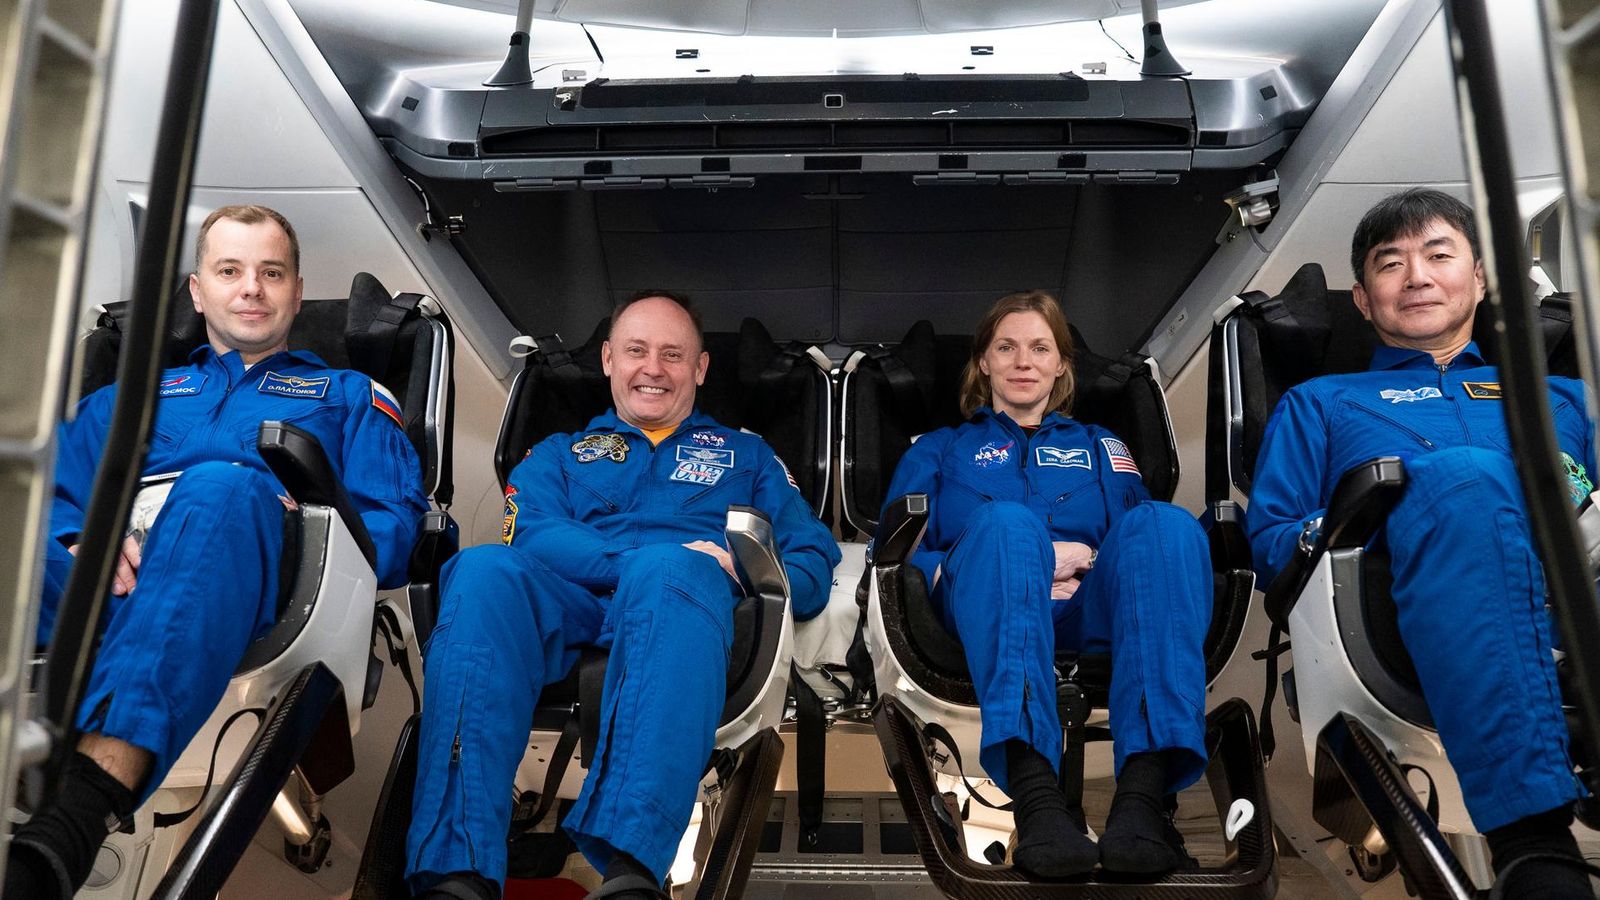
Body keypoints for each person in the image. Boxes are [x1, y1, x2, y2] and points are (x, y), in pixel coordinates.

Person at [6, 204, 430, 899]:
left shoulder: (349, 394)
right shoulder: (129, 398)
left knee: (220, 489)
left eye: (271, 272)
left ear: (297, 291)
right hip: (108, 579)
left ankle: (74, 819)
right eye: (230, 271)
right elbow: (39, 494)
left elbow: (387, 530)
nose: (252, 288)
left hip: (263, 577)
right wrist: (76, 539)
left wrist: (293, 515)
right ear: (198, 291)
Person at [406, 292, 840, 900]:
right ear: (609, 359)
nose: (653, 368)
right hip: (569, 601)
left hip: (683, 608)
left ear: (701, 368)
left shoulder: (749, 457)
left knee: (668, 572)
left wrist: (738, 570)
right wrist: (630, 563)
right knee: (481, 571)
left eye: (673, 354)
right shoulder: (556, 455)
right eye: (636, 351)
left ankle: (632, 870)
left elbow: (813, 559)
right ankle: (454, 872)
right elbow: (528, 531)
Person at [1248, 188, 1593, 897]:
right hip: (1411, 611)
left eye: (1439, 255)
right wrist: (1366, 515)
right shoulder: (1319, 402)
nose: (1417, 276)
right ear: (1363, 300)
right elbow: (1275, 543)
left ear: (1480, 279)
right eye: (1391, 263)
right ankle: (1534, 844)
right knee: (1461, 479)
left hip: (1577, 579)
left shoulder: (1562, 398)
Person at [880, 291, 1212, 879]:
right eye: (1006, 347)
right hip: (979, 607)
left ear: (1061, 364)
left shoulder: (1102, 447)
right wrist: (1024, 561)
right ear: (984, 361)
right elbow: (897, 557)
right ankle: (1036, 801)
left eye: (1040, 347)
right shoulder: (940, 449)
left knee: (1167, 525)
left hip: (1087, 608)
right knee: (1009, 525)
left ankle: (1141, 800)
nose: (1023, 361)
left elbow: (1138, 547)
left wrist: (1082, 563)